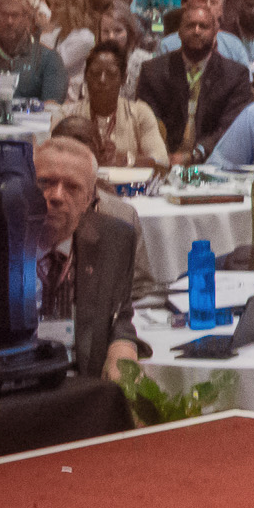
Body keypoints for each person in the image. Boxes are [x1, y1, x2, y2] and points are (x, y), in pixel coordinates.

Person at [29, 136, 147, 381]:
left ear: (88, 200)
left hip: (82, 385)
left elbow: (120, 315)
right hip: (15, 387)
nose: (56, 196)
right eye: (45, 183)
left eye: (72, 187)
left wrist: (123, 347)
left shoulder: (114, 239)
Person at [135, 0, 254, 162]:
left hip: (213, 161)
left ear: (215, 33)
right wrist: (163, 156)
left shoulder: (235, 75)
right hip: (163, 159)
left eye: (203, 26)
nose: (196, 31)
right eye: (190, 26)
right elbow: (147, 121)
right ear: (179, 32)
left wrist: (196, 154)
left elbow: (231, 127)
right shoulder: (153, 71)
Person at [61, 39, 170, 170]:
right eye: (95, 73)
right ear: (85, 77)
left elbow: (161, 160)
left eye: (111, 74)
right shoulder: (67, 114)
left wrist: (125, 160)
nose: (102, 80)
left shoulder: (140, 113)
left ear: (123, 79)